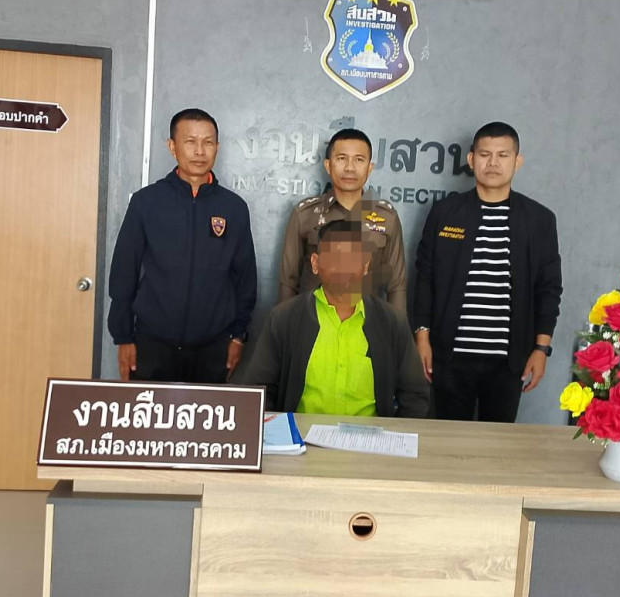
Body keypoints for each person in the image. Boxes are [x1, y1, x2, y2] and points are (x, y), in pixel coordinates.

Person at [413, 122, 562, 422]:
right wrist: (422, 338)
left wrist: (541, 348)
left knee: (498, 442)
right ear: (471, 160)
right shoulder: (445, 213)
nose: (493, 163)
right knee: (449, 440)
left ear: (517, 161)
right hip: (449, 357)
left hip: (509, 362)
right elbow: (425, 278)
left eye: (503, 155)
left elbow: (548, 289)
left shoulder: (539, 220)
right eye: (485, 154)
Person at [108, 108, 257, 384]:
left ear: (217, 147)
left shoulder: (234, 208)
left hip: (213, 347)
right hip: (151, 345)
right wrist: (123, 336)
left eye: (208, 142)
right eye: (190, 141)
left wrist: (238, 335)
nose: (199, 151)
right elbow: (124, 272)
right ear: (172, 147)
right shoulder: (146, 202)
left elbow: (245, 278)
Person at [245, 219, 428, 417]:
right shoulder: (284, 319)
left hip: (372, 435)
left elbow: (415, 396)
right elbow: (258, 390)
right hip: (302, 433)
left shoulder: (392, 322)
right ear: (315, 263)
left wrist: (395, 433)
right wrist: (280, 432)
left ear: (366, 265)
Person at [278, 128, 406, 311]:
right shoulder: (305, 214)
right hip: (313, 321)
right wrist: (284, 325)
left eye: (359, 160)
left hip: (366, 323)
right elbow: (288, 281)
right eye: (341, 158)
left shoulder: (386, 217)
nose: (350, 168)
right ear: (328, 165)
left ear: (370, 168)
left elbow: (396, 285)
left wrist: (397, 327)